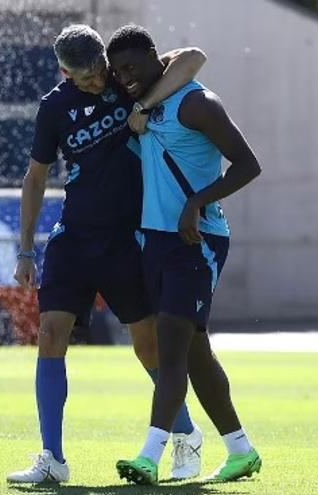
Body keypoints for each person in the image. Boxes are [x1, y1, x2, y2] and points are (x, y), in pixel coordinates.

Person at [6, 24, 207, 484]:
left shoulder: (126, 79)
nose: (98, 82)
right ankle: (52, 459)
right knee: (51, 333)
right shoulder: (54, 107)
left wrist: (144, 105)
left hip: (126, 240)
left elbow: (193, 57)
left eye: (100, 71)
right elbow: (35, 178)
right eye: (87, 78)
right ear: (65, 73)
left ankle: (186, 435)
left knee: (148, 347)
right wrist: (25, 250)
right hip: (74, 237)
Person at [107, 24, 263, 485]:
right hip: (156, 241)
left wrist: (197, 202)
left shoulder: (197, 103)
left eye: (132, 66)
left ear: (156, 57)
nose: (125, 77)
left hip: (196, 241)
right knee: (194, 354)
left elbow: (248, 164)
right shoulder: (148, 99)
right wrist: (142, 103)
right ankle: (241, 450)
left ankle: (149, 456)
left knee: (170, 347)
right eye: (118, 71)